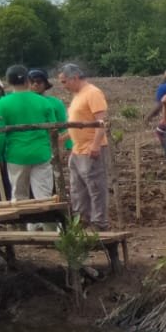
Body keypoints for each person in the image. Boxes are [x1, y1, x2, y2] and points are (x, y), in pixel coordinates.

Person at [0, 65, 56, 205]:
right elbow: (53, 129)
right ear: (28, 80)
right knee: (44, 196)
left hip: (16, 155)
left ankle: (29, 226)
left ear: (9, 82)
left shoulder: (2, 104)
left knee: (20, 198)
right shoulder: (43, 101)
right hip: (41, 153)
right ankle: (48, 225)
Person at [57, 63, 111, 228]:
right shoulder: (77, 96)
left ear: (74, 78)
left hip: (91, 148)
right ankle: (81, 220)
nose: (63, 86)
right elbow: (80, 123)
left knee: (95, 187)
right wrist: (62, 137)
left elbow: (101, 122)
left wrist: (95, 145)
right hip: (77, 149)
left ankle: (99, 222)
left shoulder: (93, 93)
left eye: (64, 81)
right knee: (77, 188)